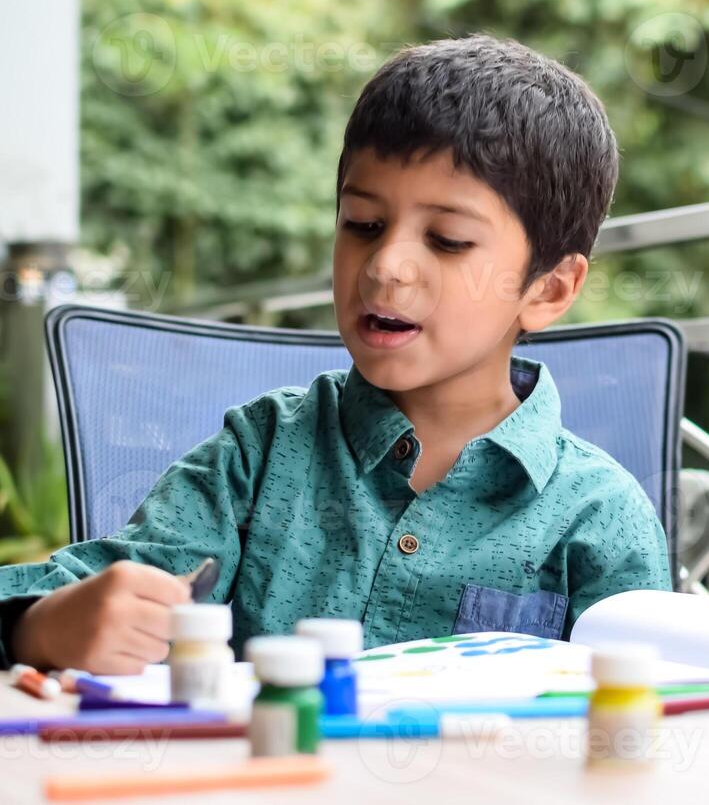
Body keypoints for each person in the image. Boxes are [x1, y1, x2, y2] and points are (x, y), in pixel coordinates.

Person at [0, 34, 671, 673]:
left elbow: (651, 722)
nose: (386, 266)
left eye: (447, 240)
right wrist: (39, 625)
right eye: (363, 225)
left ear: (549, 289)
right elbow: (98, 592)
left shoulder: (600, 519)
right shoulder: (256, 456)